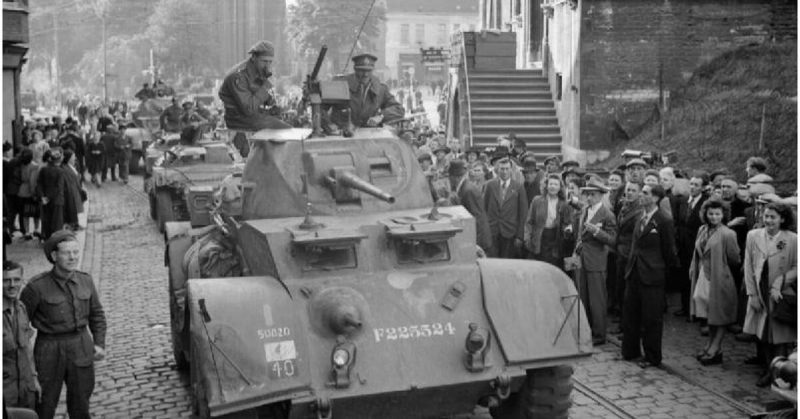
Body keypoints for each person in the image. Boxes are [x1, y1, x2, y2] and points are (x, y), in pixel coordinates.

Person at [20, 230, 106, 419]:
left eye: (76, 252)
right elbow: (21, 322)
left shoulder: (85, 280)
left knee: (81, 404)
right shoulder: (36, 287)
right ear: (54, 256)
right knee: (44, 403)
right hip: (49, 349)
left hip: (80, 344)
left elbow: (97, 314)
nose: (73, 257)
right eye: (67, 253)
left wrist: (99, 343)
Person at [622, 184, 678, 368]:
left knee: (651, 318)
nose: (641, 195)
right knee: (631, 313)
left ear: (655, 198)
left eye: (645, 193)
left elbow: (669, 251)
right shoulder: (641, 217)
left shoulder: (664, 220)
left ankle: (652, 356)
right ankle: (630, 352)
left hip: (653, 275)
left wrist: (663, 276)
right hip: (635, 272)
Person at [742, 203, 796, 387]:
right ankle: (767, 368)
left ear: (782, 219)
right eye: (766, 216)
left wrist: (781, 282)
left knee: (779, 335)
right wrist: (752, 294)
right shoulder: (753, 235)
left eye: (773, 217)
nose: (769, 220)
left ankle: (779, 372)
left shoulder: (793, 239)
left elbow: (797, 267)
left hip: (779, 294)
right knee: (763, 333)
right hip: (760, 290)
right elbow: (748, 265)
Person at [689, 199, 741, 366]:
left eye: (717, 214)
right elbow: (697, 252)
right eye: (710, 213)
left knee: (719, 314)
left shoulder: (728, 234)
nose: (714, 217)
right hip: (703, 276)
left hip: (720, 278)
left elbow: (735, 258)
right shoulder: (702, 230)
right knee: (708, 313)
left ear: (724, 215)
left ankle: (715, 348)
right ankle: (710, 345)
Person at [574, 179, 617, 345]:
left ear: (600, 195)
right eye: (587, 194)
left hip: (597, 261)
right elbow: (580, 235)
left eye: (592, 194)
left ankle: (599, 334)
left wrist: (598, 232)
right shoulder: (585, 210)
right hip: (581, 258)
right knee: (582, 296)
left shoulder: (607, 214)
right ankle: (586, 329)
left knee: (597, 299)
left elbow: (613, 240)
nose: (589, 197)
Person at [218, 40, 291, 131]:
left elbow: (257, 95)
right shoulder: (238, 76)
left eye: (270, 62)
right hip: (238, 120)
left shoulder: (257, 71)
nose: (267, 66)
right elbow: (248, 108)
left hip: (251, 116)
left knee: (283, 122)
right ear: (253, 57)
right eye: (264, 61)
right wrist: (266, 87)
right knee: (285, 129)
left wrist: (271, 104)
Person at [328, 53, 405, 129]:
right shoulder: (340, 85)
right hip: (342, 135)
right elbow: (320, 110)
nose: (366, 74)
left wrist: (381, 116)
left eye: (369, 71)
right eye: (362, 70)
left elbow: (398, 109)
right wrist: (329, 125)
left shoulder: (380, 89)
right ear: (355, 69)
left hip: (370, 135)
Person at [3, 260, 40, 410]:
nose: (12, 285)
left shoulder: (21, 308)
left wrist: (34, 379)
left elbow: (26, 349)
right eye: (5, 280)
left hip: (25, 389)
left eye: (17, 280)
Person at [612, 180, 644, 326]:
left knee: (627, 291)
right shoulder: (625, 206)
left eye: (633, 190)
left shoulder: (639, 211)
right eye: (628, 190)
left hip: (629, 255)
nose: (629, 193)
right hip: (620, 252)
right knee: (620, 289)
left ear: (639, 193)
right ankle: (623, 322)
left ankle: (627, 326)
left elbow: (636, 237)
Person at [483, 157, 528, 258]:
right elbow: (484, 209)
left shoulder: (518, 187)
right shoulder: (489, 185)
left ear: (511, 170)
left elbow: (523, 213)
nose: (504, 171)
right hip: (492, 231)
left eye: (507, 169)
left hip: (510, 232)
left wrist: (520, 236)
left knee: (507, 263)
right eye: (502, 169)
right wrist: (484, 231)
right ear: (497, 170)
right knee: (492, 261)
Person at [524, 174, 572, 268]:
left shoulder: (564, 204)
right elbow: (529, 222)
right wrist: (527, 239)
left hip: (555, 241)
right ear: (546, 185)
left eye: (555, 184)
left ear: (560, 187)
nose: (553, 186)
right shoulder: (537, 201)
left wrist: (567, 230)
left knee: (553, 268)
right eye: (550, 184)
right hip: (539, 240)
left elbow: (567, 224)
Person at [447, 160, 492, 254]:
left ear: (454, 177)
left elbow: (477, 219)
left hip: (478, 242)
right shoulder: (464, 188)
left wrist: (474, 243)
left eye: (449, 177)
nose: (449, 180)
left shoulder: (468, 190)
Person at [36, 149, 67, 240]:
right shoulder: (60, 171)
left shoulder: (44, 169)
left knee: (47, 220)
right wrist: (49, 197)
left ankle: (47, 238)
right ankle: (55, 240)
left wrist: (43, 197)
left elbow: (39, 184)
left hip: (45, 199)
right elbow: (59, 187)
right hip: (56, 199)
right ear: (59, 160)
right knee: (57, 222)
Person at [61, 149, 84, 231]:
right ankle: (72, 225)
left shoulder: (73, 166)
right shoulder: (65, 167)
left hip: (75, 189)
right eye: (73, 156)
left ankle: (75, 223)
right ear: (69, 158)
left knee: (76, 207)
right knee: (72, 207)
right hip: (71, 190)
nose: (75, 158)